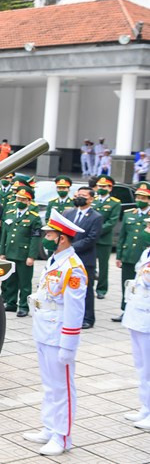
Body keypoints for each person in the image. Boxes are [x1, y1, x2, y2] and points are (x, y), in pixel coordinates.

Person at [22, 210, 87, 456]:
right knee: (50, 385)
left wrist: (69, 344)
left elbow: (74, 309)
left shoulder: (73, 268)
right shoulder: (54, 261)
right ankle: (49, 428)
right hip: (44, 329)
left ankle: (62, 437)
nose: (46, 237)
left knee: (62, 388)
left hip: (59, 333)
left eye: (50, 234)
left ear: (62, 238)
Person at [122, 220, 150, 430]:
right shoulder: (147, 252)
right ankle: (146, 406)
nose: (146, 229)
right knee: (142, 366)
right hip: (138, 315)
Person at [0, 187, 41, 317]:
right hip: (10, 252)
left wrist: (32, 256)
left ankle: (23, 306)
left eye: (23, 199)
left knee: (24, 283)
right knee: (10, 281)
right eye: (18, 198)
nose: (20, 201)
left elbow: (35, 238)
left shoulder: (34, 217)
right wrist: (2, 252)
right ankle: (11, 303)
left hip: (24, 254)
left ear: (29, 201)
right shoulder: (10, 213)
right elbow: (4, 234)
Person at [63, 187, 102, 329]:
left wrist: (71, 247)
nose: (80, 197)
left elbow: (92, 238)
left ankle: (88, 318)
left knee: (86, 289)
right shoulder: (69, 213)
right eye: (78, 195)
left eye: (83, 195)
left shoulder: (96, 217)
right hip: (67, 258)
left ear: (91, 199)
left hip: (85, 258)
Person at [114, 183, 150, 322]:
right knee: (127, 284)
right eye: (138, 197)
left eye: (143, 198)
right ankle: (125, 310)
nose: (140, 200)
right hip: (128, 255)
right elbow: (122, 237)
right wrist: (119, 256)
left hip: (144, 258)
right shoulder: (129, 214)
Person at [93, 176, 120, 300]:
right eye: (99, 186)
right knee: (89, 265)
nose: (101, 188)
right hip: (91, 239)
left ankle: (101, 289)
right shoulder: (93, 200)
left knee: (103, 266)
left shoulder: (115, 203)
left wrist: (97, 231)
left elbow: (112, 221)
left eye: (104, 186)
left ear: (110, 188)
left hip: (104, 239)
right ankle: (88, 286)